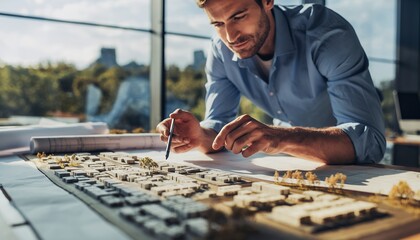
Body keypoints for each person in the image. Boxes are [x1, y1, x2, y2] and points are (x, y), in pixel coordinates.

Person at [156, 0, 386, 165]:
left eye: (238, 17)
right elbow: (217, 125)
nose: (230, 37)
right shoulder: (220, 51)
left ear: (267, 1)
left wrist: (280, 137)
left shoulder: (326, 34)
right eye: (218, 24)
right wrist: (199, 136)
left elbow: (369, 142)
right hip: (287, 163)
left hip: (351, 170)